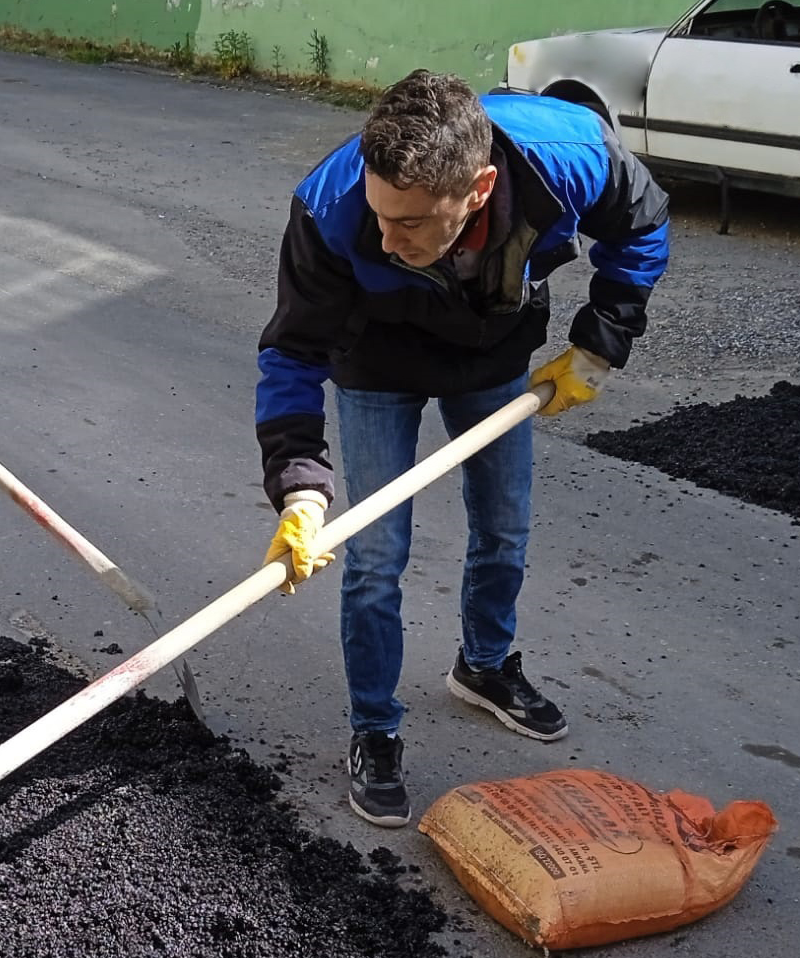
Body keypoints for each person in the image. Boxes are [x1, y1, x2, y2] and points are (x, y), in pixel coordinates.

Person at [255, 70, 670, 826]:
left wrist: (600, 344)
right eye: (379, 218)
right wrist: (301, 487)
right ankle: (374, 729)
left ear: (478, 189)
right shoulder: (331, 205)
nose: (386, 238)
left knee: (504, 525)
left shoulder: (566, 154)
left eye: (409, 223)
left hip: (493, 348)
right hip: (376, 362)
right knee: (375, 558)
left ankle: (484, 665)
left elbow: (643, 223)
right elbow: (292, 354)